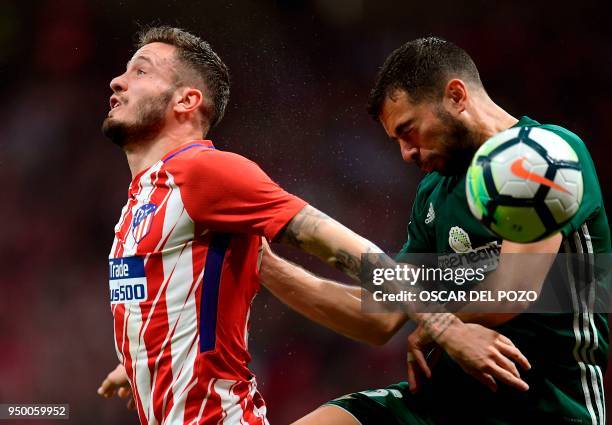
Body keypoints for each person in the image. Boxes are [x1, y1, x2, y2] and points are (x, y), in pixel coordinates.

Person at [96, 27, 531, 424]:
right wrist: (138, 362)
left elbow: (347, 248)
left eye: (140, 70)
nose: (118, 81)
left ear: (186, 101)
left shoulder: (206, 173)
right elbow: (172, 299)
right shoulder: (141, 201)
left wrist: (444, 326)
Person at [260, 37, 610, 424]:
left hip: (542, 406)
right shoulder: (433, 192)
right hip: (442, 405)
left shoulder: (544, 152)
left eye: (408, 131)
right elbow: (379, 316)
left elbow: (515, 287)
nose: (406, 154)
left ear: (456, 96)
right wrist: (264, 267)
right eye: (395, 141)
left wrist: (435, 325)